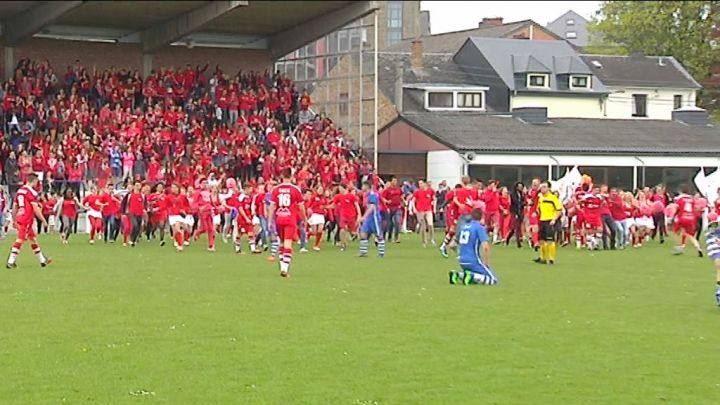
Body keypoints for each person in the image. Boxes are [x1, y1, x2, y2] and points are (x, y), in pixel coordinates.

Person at [6, 173, 51, 268]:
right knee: (20, 239)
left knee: (33, 239)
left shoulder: (19, 191)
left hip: (20, 216)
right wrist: (43, 220)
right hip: (26, 218)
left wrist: (14, 220)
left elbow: (14, 206)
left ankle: (42, 260)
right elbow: (35, 208)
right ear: (34, 181)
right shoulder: (31, 193)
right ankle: (10, 261)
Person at [268, 168, 306, 277]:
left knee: (281, 243)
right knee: (288, 243)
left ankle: (282, 266)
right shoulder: (295, 189)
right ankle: (284, 269)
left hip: (279, 218)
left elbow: (272, 206)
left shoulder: (276, 189)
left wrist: (270, 220)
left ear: (282, 176)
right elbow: (301, 206)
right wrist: (304, 218)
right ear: (291, 176)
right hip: (290, 218)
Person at [448, 208, 497, 286]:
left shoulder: (464, 227)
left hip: (462, 260)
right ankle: (471, 275)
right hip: (473, 260)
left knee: (475, 280)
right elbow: (486, 247)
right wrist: (486, 262)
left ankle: (458, 274)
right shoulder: (479, 227)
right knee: (493, 280)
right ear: (481, 217)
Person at [534, 182, 562, 265]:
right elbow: (538, 208)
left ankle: (551, 259)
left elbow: (559, 209)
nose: (542, 189)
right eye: (542, 187)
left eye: (544, 187)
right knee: (542, 240)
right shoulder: (541, 198)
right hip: (542, 220)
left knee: (550, 240)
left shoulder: (553, 198)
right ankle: (543, 258)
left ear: (549, 188)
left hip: (550, 221)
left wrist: (554, 219)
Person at [672, 185, 703, 257]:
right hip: (691, 218)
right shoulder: (691, 199)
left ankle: (679, 247)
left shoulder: (680, 198)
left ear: (681, 191)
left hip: (682, 217)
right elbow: (694, 209)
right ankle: (698, 248)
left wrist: (673, 216)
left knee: (675, 232)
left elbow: (676, 208)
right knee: (690, 235)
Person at [358, 182, 385, 258]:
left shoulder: (373, 195)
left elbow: (372, 207)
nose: (362, 187)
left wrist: (363, 217)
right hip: (368, 218)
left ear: (366, 186)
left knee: (378, 235)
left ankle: (381, 253)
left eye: (363, 186)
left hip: (374, 217)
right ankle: (363, 252)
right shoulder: (365, 195)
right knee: (363, 233)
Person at [412, 180, 436, 247]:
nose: (420, 185)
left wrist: (434, 207)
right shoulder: (417, 192)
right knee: (423, 226)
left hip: (428, 209)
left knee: (430, 224)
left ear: (424, 184)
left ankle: (432, 239)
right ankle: (424, 241)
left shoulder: (431, 190)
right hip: (420, 210)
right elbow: (413, 200)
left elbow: (434, 199)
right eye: (419, 183)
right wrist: (414, 208)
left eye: (421, 183)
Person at [705, 212, 720, 307]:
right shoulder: (713, 228)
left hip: (713, 253)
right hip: (716, 252)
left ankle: (718, 293)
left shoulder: (708, 229)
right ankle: (718, 294)